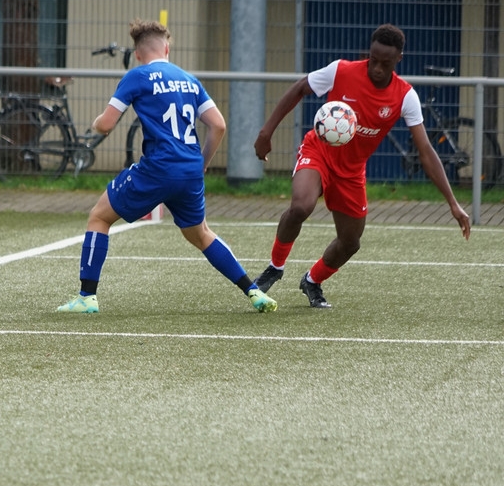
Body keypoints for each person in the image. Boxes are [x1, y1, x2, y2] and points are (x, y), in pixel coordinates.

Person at [56, 19, 278, 314]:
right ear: (167, 49)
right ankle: (253, 291)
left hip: (157, 168)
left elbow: (106, 125)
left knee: (99, 217)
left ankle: (86, 297)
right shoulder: (189, 79)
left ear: (138, 53)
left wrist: (96, 123)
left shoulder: (137, 76)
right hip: (189, 169)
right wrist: (202, 164)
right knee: (200, 234)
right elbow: (218, 125)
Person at [253, 23, 471, 308]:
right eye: (373, 59)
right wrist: (266, 132)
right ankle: (275, 267)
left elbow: (426, 152)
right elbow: (299, 89)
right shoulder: (340, 71)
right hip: (319, 152)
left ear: (398, 59)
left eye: (385, 63)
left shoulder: (405, 96)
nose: (377, 68)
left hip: (352, 171)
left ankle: (312, 281)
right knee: (301, 207)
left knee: (350, 242)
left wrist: (453, 203)